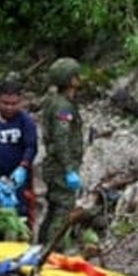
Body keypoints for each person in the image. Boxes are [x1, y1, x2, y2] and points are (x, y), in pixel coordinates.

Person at [0, 79, 39, 233]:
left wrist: (23, 166)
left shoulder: (26, 122)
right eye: (5, 103)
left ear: (21, 101)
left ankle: (25, 244)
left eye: (14, 103)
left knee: (22, 211)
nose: (9, 107)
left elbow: (31, 146)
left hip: (19, 177)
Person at [37, 57, 85, 246]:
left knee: (54, 208)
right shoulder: (63, 106)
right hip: (60, 167)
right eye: (76, 75)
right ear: (71, 79)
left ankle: (41, 247)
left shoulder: (54, 101)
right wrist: (69, 169)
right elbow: (61, 138)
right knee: (63, 209)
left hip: (55, 165)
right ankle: (52, 251)